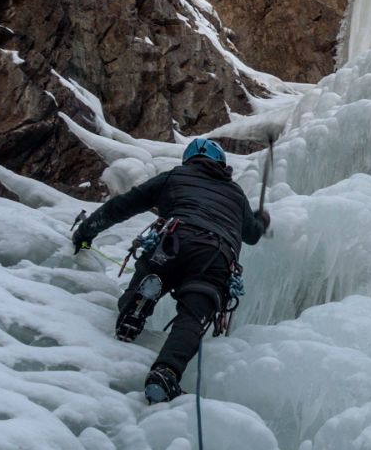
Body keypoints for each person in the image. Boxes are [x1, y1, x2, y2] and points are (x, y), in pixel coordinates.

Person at [71, 138, 269, 403]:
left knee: (154, 270)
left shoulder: (175, 177)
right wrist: (261, 219)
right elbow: (252, 235)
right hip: (216, 255)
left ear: (189, 160)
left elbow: (121, 206)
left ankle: (137, 303)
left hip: (173, 239)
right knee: (194, 315)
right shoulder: (235, 194)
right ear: (221, 163)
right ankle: (165, 373)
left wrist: (86, 232)